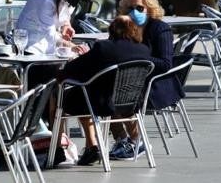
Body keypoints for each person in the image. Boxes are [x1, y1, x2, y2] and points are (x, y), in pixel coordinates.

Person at [56, 15, 151, 166]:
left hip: (102, 103)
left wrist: (78, 58)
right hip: (131, 102)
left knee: (65, 93)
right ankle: (92, 147)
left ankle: (63, 148)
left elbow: (70, 71)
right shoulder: (144, 50)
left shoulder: (104, 47)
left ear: (112, 29)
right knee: (88, 91)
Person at [108, 0, 184, 160]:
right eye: (129, 8)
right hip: (128, 80)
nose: (134, 12)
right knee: (101, 92)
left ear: (149, 9)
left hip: (156, 83)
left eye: (139, 8)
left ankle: (137, 141)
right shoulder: (123, 27)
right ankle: (122, 140)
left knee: (119, 94)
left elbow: (165, 63)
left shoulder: (160, 28)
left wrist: (138, 62)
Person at [15, 0, 90, 55]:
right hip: (31, 47)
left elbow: (65, 13)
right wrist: (72, 46)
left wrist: (66, 25)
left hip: (51, 46)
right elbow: (50, 35)